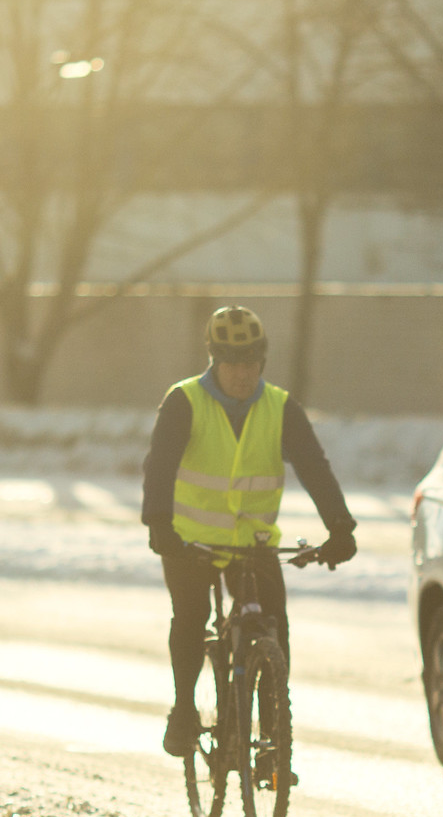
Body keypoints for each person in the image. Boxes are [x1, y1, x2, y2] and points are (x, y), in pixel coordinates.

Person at [142, 306, 358, 769]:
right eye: (232, 362)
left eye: (251, 361)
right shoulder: (185, 402)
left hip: (254, 542)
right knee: (192, 614)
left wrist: (340, 526)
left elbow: (314, 467)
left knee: (273, 628)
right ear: (214, 360)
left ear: (263, 361)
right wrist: (159, 522)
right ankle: (184, 708)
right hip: (189, 540)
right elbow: (159, 464)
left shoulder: (280, 408)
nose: (242, 373)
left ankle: (272, 738)